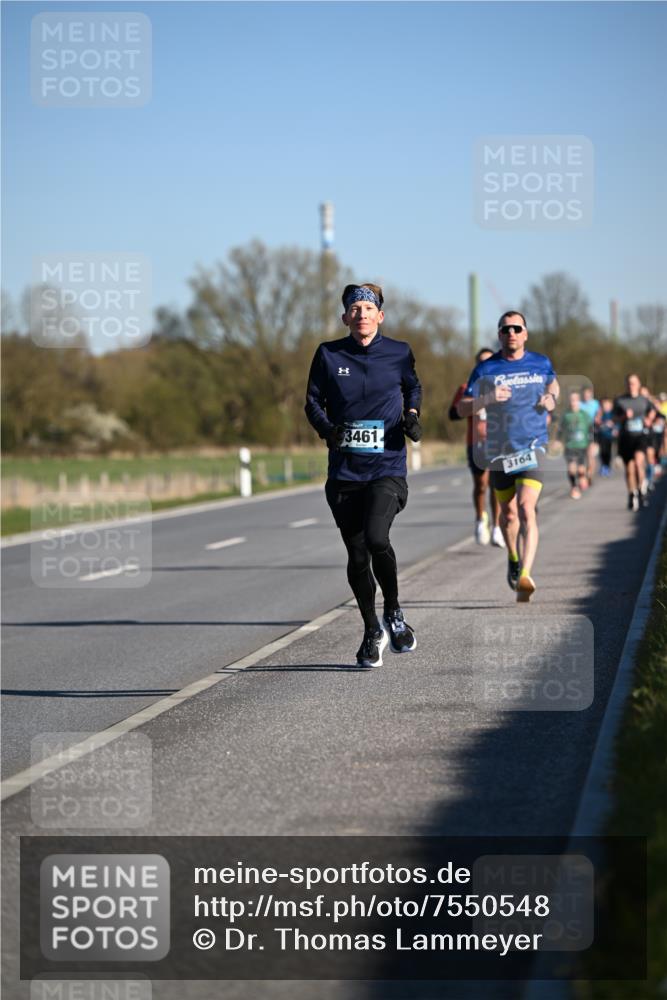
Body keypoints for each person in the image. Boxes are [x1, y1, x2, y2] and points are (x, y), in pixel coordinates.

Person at [305, 283, 422, 667]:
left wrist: (412, 416)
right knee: (356, 555)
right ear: (345, 318)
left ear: (380, 316)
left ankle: (394, 611)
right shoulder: (328, 354)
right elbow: (312, 402)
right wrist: (329, 429)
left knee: (376, 537)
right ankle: (372, 630)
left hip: (387, 466)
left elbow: (413, 387)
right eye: (354, 309)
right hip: (345, 472)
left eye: (367, 309)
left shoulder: (399, 353)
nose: (361, 314)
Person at [457, 311, 559, 603]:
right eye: (506, 329)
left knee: (527, 509)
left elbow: (553, 384)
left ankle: (526, 573)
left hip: (533, 446)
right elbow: (463, 408)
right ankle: (513, 558)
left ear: (525, 333)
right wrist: (487, 399)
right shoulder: (485, 369)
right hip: (500, 451)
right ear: (499, 334)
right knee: (508, 514)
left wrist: (552, 397)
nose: (511, 333)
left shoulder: (541, 362)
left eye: (517, 328)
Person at [448, 347, 505, 547]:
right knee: (481, 484)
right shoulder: (466, 388)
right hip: (476, 442)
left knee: (496, 485)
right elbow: (453, 414)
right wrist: (474, 406)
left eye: (489, 362)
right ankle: (481, 519)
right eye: (481, 362)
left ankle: (497, 526)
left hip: (498, 442)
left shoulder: (503, 387)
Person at [613, 373, 656, 511]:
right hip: (626, 438)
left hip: (640, 437)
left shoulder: (644, 400)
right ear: (626, 385)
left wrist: (650, 419)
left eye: (634, 383)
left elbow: (653, 411)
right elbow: (614, 418)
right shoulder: (620, 401)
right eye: (629, 383)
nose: (631, 385)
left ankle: (641, 488)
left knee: (639, 463)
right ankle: (632, 493)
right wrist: (624, 417)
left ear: (639, 384)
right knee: (630, 470)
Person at [558, 391, 593, 499]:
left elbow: (591, 430)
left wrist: (592, 443)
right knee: (571, 468)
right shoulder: (566, 415)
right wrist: (558, 441)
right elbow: (560, 430)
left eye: (575, 400)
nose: (573, 402)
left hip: (582, 446)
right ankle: (574, 487)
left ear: (579, 401)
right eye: (571, 400)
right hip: (570, 446)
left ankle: (583, 478)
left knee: (581, 470)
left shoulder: (584, 415)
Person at [579, 386, 600, 485]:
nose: (586, 396)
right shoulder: (579, 404)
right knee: (582, 455)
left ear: (591, 394)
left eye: (588, 394)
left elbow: (600, 415)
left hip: (592, 430)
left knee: (590, 455)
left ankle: (590, 474)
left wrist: (597, 418)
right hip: (580, 432)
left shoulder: (595, 404)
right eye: (585, 394)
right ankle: (583, 473)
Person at [597, 397, 617, 477]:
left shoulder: (612, 414)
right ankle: (603, 466)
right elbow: (597, 423)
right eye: (604, 405)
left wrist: (615, 428)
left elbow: (617, 423)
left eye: (607, 405)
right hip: (601, 436)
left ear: (611, 406)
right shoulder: (601, 414)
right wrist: (599, 422)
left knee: (608, 452)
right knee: (602, 452)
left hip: (609, 437)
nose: (606, 407)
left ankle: (608, 466)